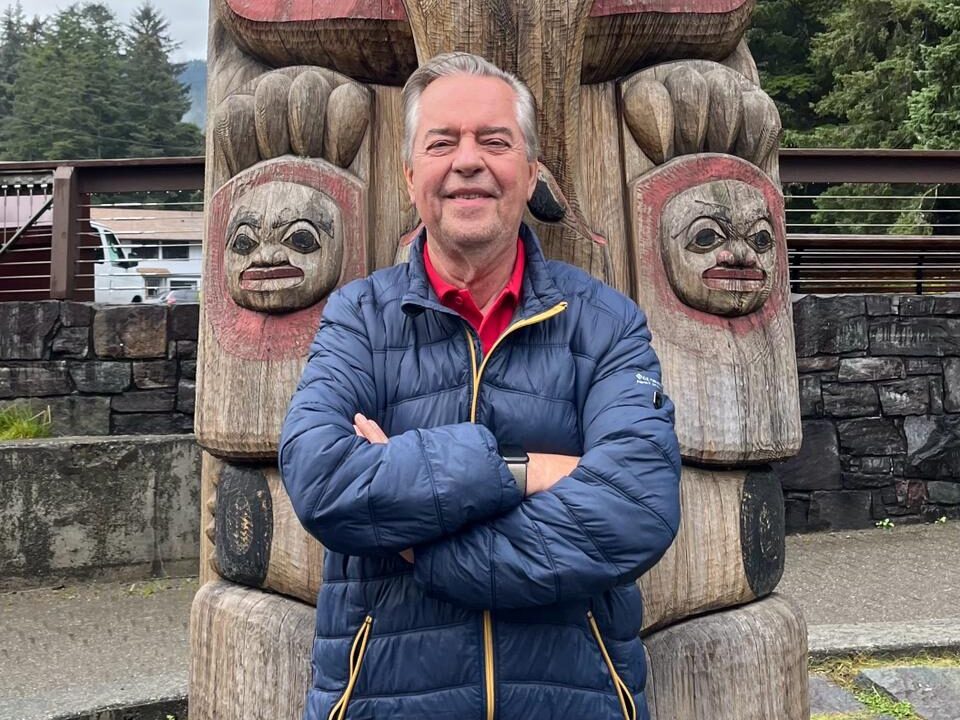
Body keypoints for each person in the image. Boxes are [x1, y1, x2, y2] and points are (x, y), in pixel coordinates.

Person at [280, 51, 681, 720]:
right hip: (385, 701)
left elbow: (637, 508)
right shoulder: (359, 317)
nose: (468, 161)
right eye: (442, 143)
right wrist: (522, 471)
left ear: (531, 173)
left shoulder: (606, 322)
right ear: (410, 177)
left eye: (495, 141)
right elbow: (322, 480)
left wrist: (417, 545)